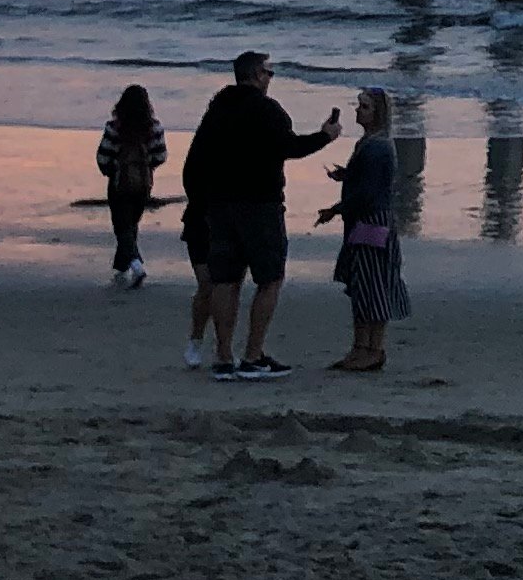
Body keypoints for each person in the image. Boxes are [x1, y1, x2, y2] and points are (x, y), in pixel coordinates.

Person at [181, 50, 342, 381]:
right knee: (269, 278)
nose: (271, 78)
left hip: (220, 206)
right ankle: (253, 355)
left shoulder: (217, 109)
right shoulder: (266, 110)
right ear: (256, 75)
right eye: (269, 73)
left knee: (226, 279)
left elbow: (194, 161)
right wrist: (325, 136)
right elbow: (290, 147)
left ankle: (224, 357)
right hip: (259, 205)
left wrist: (200, 202)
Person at [316, 87, 408, 373]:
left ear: (377, 113)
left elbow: (367, 194)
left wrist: (335, 209)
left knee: (373, 286)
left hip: (372, 222)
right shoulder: (370, 143)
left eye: (364, 107)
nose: (358, 110)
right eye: (359, 105)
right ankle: (360, 347)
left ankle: (373, 349)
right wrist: (346, 175)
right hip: (365, 220)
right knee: (360, 285)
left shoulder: (378, 147)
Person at [93, 83, 168, 286]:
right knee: (131, 224)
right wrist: (147, 167)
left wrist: (111, 171)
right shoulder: (155, 128)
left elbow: (103, 157)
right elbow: (161, 156)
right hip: (143, 184)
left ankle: (136, 265)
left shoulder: (114, 127)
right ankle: (121, 266)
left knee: (122, 226)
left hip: (119, 183)